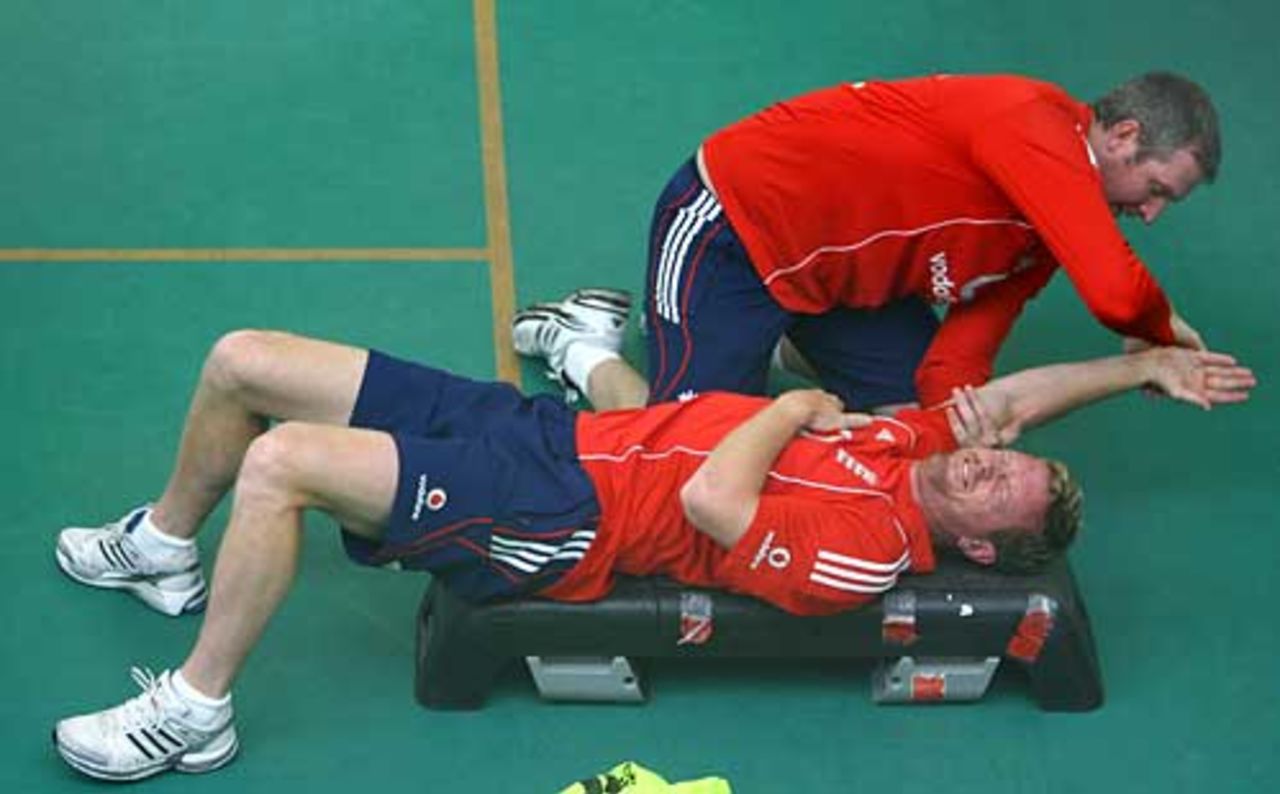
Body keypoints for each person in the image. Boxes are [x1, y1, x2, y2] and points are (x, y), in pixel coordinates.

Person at [50, 329, 1254, 781]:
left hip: (565, 515)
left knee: (283, 464)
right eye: (1006, 452)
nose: (991, 456)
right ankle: (163, 546)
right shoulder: (907, 442)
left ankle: (196, 710)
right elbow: (1017, 396)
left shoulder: (870, 543)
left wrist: (790, 409)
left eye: (1004, 485)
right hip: (551, 431)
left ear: (983, 542)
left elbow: (714, 501)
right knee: (241, 359)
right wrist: (1136, 368)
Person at [516, 72, 1220, 412]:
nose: (1152, 214)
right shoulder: (1032, 125)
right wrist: (1158, 337)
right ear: (1124, 137)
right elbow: (1114, 291)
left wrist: (954, 431)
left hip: (836, 284)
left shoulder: (1045, 235)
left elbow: (955, 368)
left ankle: (742, 341)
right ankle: (580, 344)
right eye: (1157, 189)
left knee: (914, 415)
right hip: (732, 231)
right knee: (688, 457)